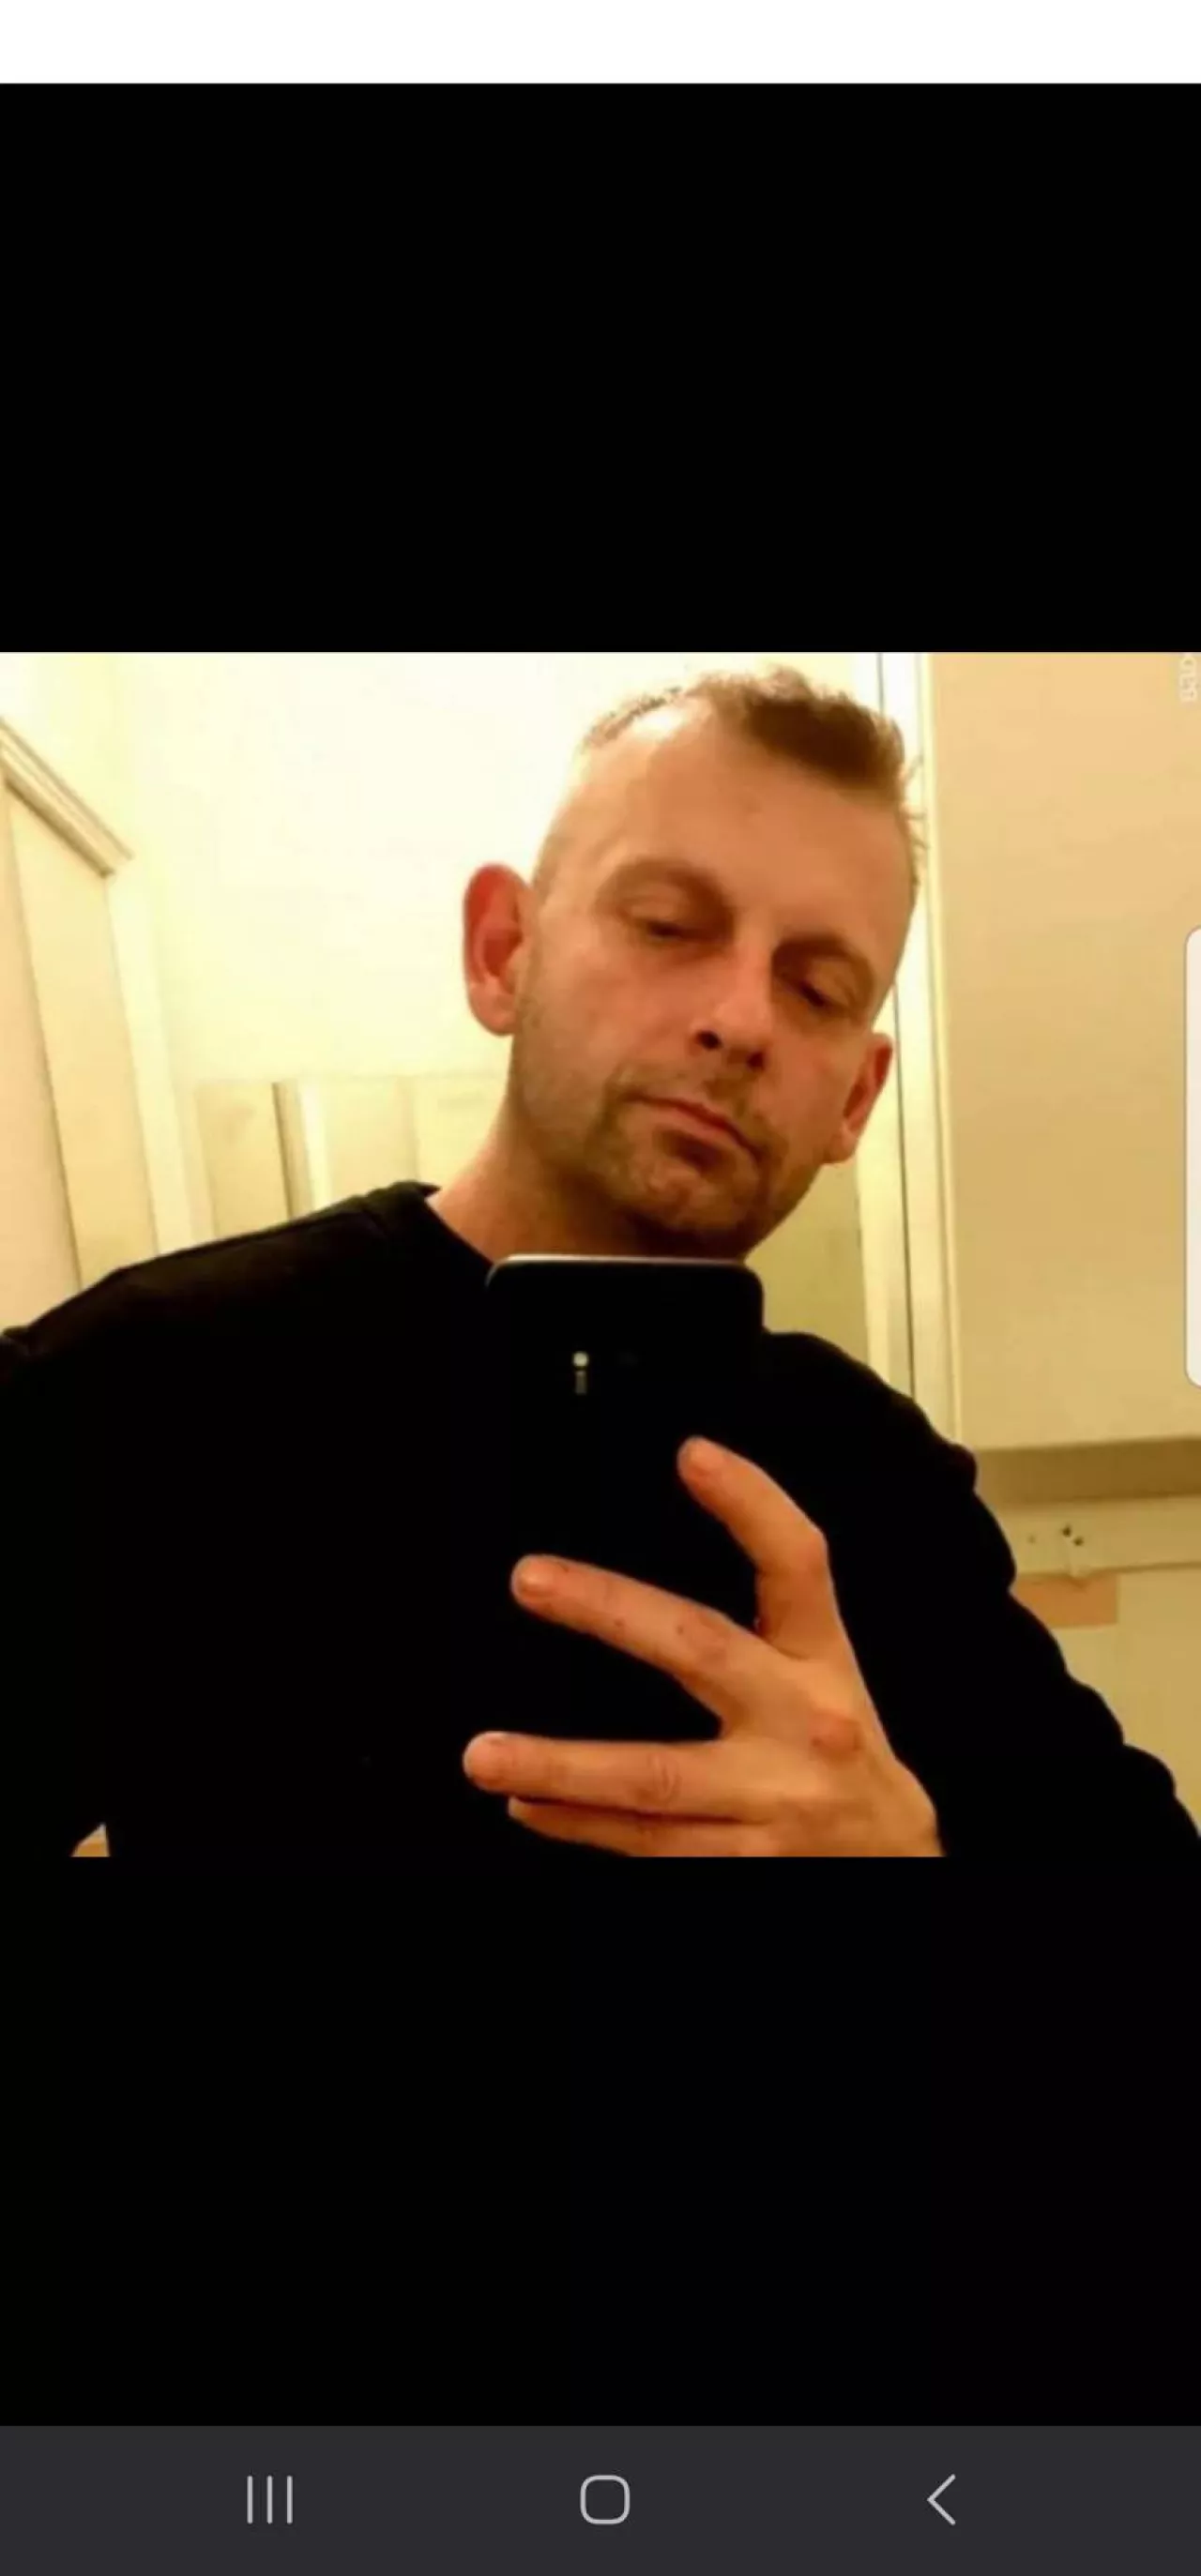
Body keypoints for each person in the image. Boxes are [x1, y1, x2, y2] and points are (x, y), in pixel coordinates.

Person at [9, 666, 1196, 1862]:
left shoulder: (875, 1470)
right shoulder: (153, 1383)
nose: (741, 1019)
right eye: (667, 925)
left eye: (815, 986)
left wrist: (911, 1853)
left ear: (855, 1098)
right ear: (502, 951)